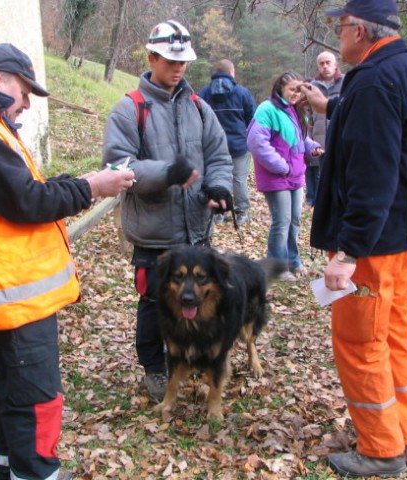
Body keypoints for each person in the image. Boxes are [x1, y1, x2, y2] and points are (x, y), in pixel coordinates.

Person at [0, 43, 135, 480]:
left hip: (5, 294)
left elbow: (24, 190)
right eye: (25, 92)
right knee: (37, 401)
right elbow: (27, 201)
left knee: (13, 395)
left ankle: (12, 471)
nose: (26, 104)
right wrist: (93, 186)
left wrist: (81, 182)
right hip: (8, 298)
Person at [299, 0, 407, 477]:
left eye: (341, 27)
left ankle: (381, 449)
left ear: (361, 32)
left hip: (374, 245)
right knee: (392, 338)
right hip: (405, 237)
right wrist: (333, 107)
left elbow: (373, 173)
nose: (337, 37)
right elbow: (395, 137)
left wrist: (348, 252)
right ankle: (403, 433)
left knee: (359, 341)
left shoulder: (373, 81)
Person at [101, 20, 233, 402]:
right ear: (151, 57)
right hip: (154, 232)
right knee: (155, 302)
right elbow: (116, 167)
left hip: (196, 231)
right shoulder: (130, 109)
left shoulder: (199, 107)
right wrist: (166, 173)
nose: (178, 69)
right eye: (170, 61)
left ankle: (186, 359)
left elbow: (219, 156)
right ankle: (154, 368)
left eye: (184, 62)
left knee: (197, 301)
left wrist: (220, 187)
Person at [247, 71, 323, 282]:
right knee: (282, 222)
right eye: (292, 89)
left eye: (299, 89)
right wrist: (282, 167)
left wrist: (312, 147)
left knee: (295, 221)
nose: (296, 93)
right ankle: (277, 266)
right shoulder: (267, 109)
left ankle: (292, 261)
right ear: (280, 88)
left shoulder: (296, 110)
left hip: (296, 175)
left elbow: (298, 140)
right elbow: (256, 143)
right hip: (276, 176)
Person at [199, 59, 257, 225]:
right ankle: (242, 213)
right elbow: (252, 119)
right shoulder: (243, 93)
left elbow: (198, 118)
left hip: (213, 146)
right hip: (238, 144)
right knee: (239, 179)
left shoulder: (204, 93)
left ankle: (218, 213)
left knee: (215, 177)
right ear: (232, 72)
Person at [305, 51, 344, 207]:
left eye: (328, 62)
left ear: (335, 64)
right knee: (317, 172)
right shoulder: (312, 87)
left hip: (341, 138)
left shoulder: (347, 83)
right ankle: (316, 201)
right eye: (321, 63)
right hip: (318, 139)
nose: (325, 66)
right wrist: (309, 139)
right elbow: (306, 116)